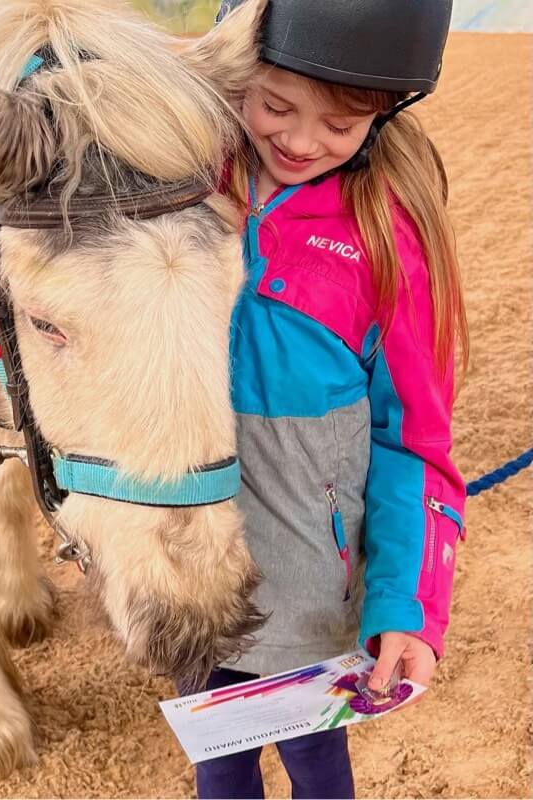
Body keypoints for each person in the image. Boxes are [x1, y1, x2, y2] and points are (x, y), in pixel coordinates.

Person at [193, 1, 469, 797]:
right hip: (193, 555)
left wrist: (406, 603)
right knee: (217, 755)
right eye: (275, 106)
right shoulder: (183, 180)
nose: (301, 140)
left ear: (384, 118)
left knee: (316, 758)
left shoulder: (388, 238)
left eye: (341, 125)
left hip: (308, 583)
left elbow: (415, 445)